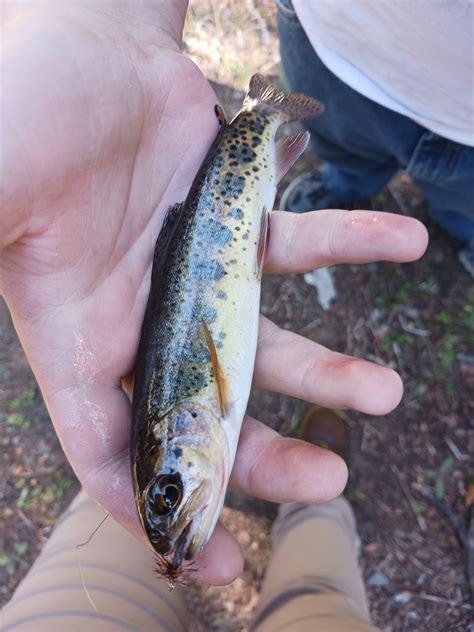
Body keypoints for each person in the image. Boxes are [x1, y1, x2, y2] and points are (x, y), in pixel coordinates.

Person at [1, 2, 427, 629]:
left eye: (168, 491)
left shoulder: (194, 416)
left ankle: (262, 123)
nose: (177, 508)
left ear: (174, 436)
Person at [277, 0, 474, 278]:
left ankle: (464, 229)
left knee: (465, 203)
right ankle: (344, 184)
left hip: (468, 130)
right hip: (335, 45)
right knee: (344, 153)